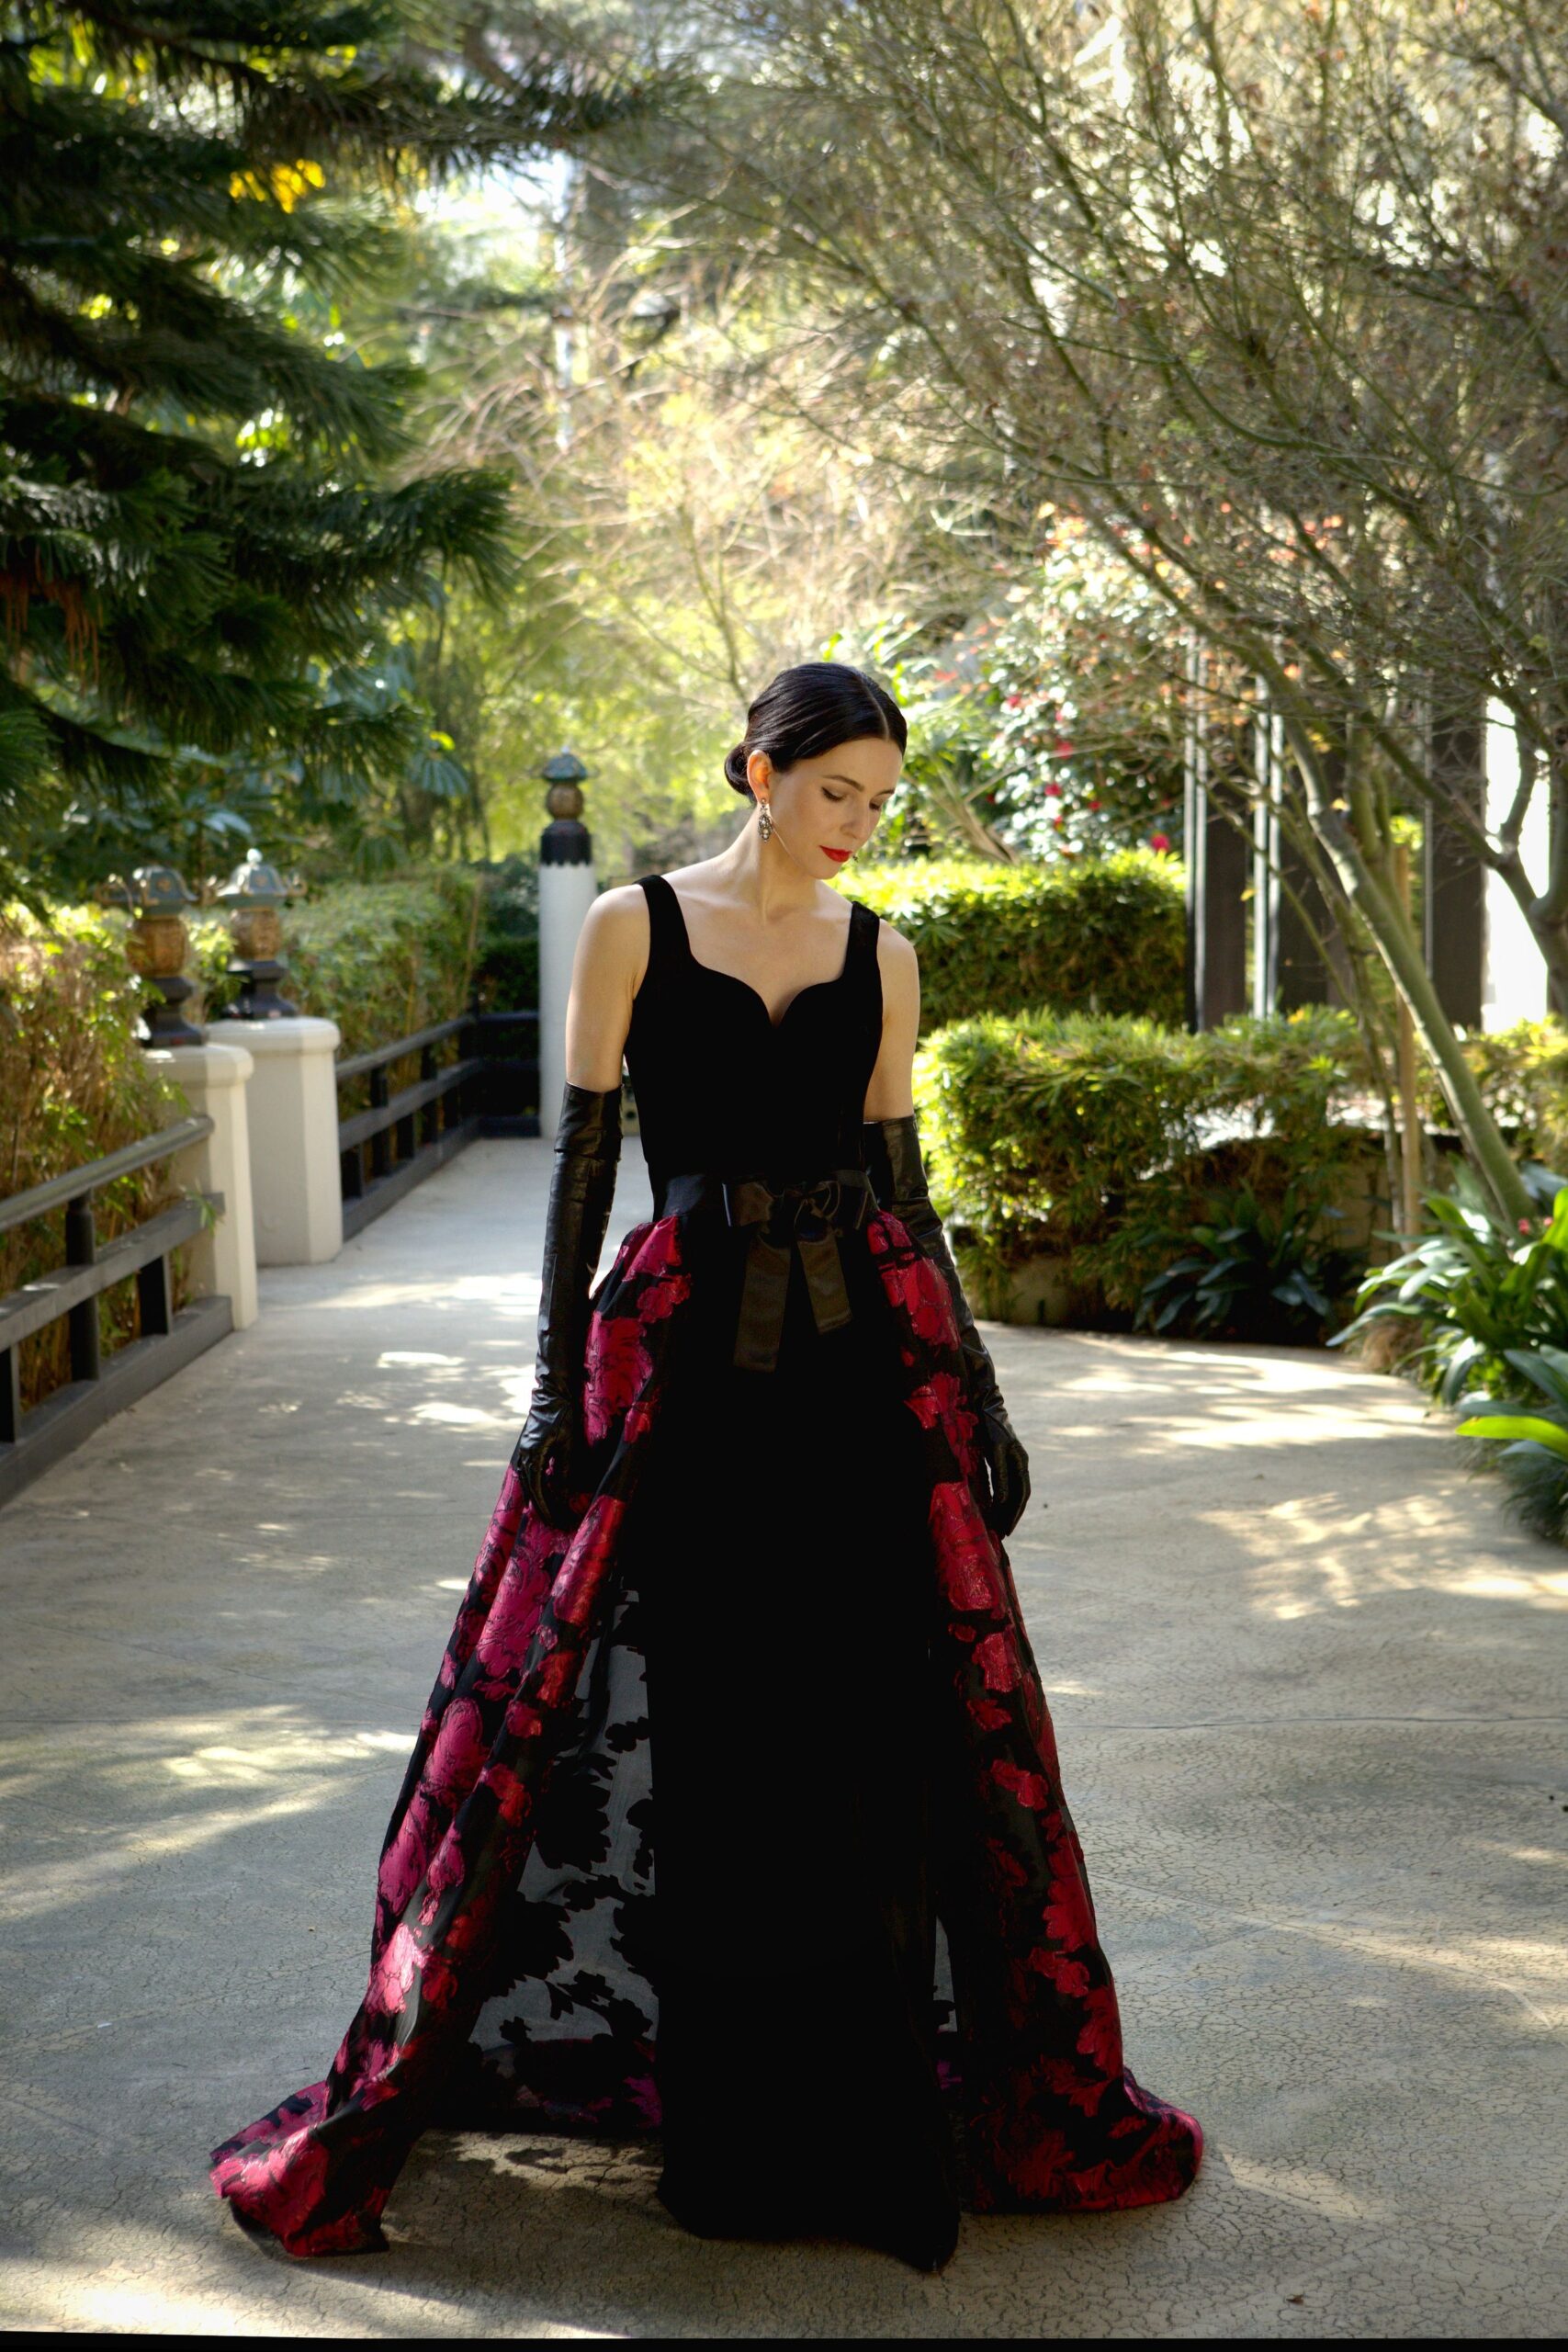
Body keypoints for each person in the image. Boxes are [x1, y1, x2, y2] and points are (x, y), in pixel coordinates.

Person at [209, 661, 1202, 2272]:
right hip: (689, 1379)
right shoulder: (634, 929)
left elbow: (904, 1191)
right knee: (725, 1738)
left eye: (879, 801)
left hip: (859, 1384)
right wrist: (550, 1391)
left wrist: (982, 1390)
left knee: (875, 1737)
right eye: (836, 792)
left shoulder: (884, 954)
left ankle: (871, 2132)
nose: (858, 824)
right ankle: (736, 2146)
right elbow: (582, 1160)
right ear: (759, 771)